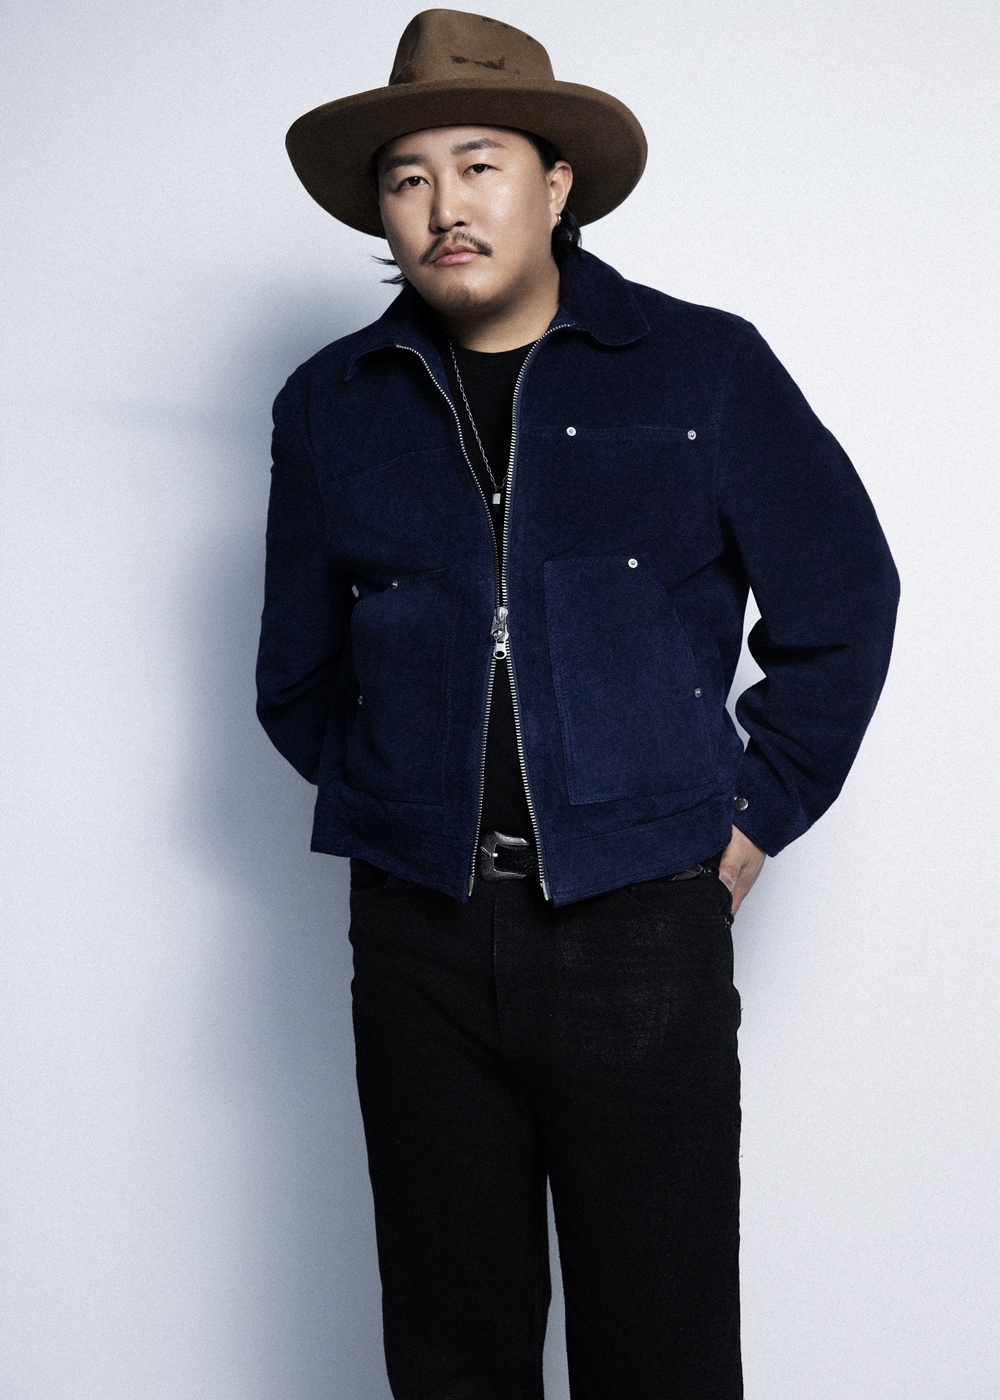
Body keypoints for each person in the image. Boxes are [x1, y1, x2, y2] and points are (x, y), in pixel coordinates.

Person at [256, 10, 899, 1397]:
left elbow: (846, 603)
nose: (444, 205)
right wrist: (404, 802)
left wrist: (748, 815)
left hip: (639, 926)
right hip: (419, 940)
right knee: (451, 1350)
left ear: (556, 184)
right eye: (409, 176)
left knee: (660, 1351)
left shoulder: (703, 367)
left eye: (478, 164)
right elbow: (296, 672)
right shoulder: (333, 403)